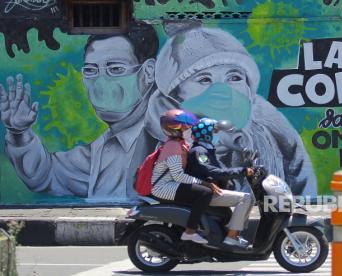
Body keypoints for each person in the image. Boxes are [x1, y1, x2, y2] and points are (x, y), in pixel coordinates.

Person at [144, 24, 317, 196]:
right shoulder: (179, 144)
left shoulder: (276, 137)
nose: (223, 91)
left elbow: (302, 183)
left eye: (234, 77)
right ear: (175, 96)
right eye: (204, 79)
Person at [0, 21, 160, 201]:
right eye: (91, 71)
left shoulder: (165, 139)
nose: (100, 84)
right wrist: (19, 133)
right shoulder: (103, 146)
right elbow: (48, 175)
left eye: (115, 69)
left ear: (148, 72)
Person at [186, 118, 255, 247]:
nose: (216, 136)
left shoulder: (206, 151)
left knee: (246, 200)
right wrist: (242, 170)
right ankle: (232, 237)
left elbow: (218, 171)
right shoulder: (199, 152)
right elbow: (212, 171)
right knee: (246, 198)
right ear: (206, 135)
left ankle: (234, 234)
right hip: (204, 193)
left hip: (211, 191)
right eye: (214, 132)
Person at [151, 109, 215, 244]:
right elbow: (178, 175)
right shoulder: (173, 146)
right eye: (186, 127)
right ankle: (190, 231)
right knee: (205, 193)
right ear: (175, 129)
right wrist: (204, 183)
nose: (190, 129)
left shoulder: (180, 145)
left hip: (171, 184)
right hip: (164, 187)